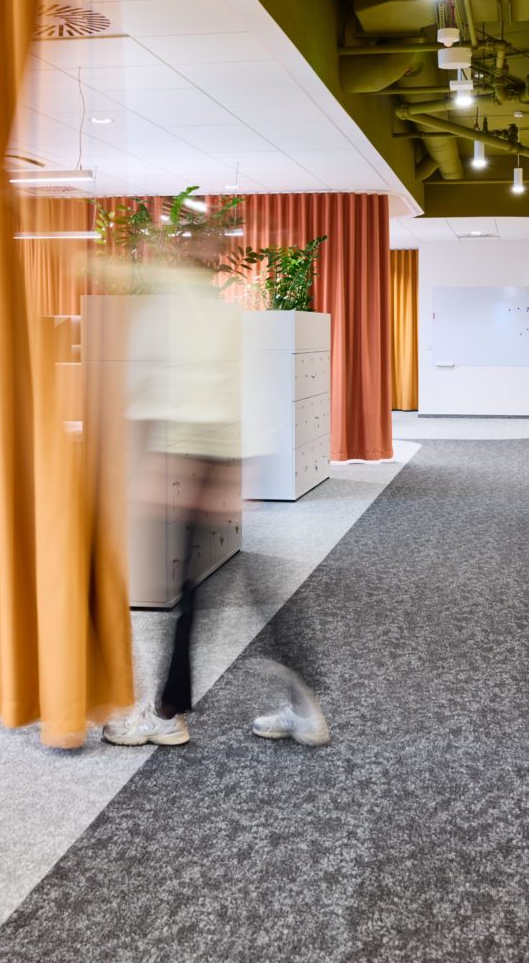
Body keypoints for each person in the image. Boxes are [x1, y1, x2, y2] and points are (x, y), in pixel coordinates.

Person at [102, 248, 329, 749]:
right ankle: (300, 705)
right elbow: (240, 388)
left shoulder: (162, 310)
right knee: (221, 589)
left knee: (197, 594)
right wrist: (238, 468)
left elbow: (150, 395)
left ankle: (168, 714)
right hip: (219, 459)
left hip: (185, 458)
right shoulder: (220, 313)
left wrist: (145, 469)